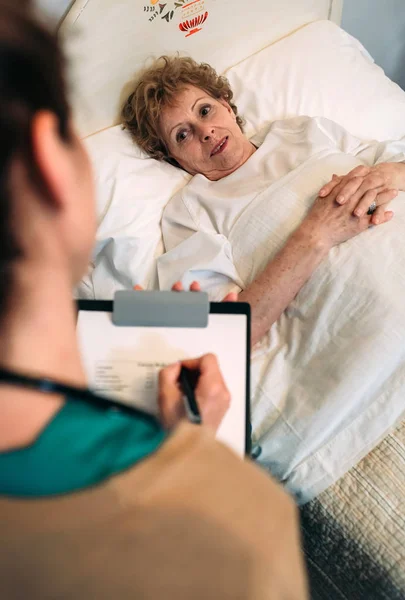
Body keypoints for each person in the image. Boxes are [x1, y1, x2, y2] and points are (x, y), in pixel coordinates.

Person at [123, 55, 405, 503]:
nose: (205, 132)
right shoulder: (191, 215)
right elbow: (227, 334)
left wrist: (390, 172)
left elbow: (392, 158)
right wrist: (315, 234)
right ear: (169, 157)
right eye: (182, 135)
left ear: (226, 104)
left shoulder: (302, 132)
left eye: (204, 110)